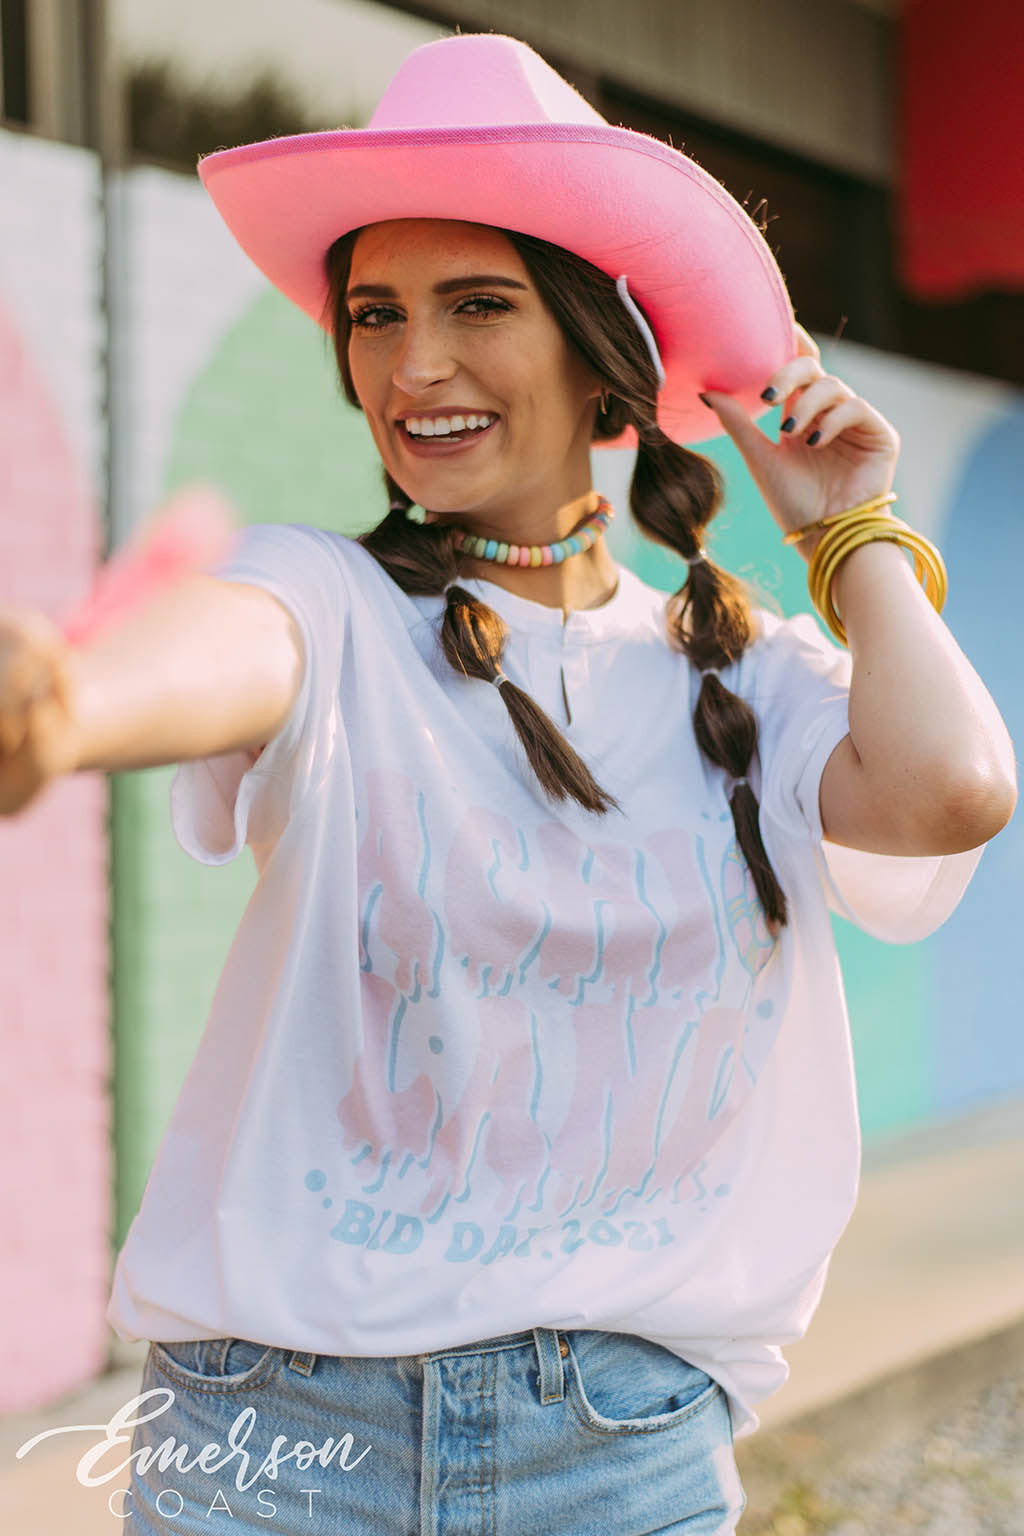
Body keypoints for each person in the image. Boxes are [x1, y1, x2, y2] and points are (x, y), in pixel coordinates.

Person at [1, 31, 1016, 1536]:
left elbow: (954, 792)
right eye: (376, 315)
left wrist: (846, 531)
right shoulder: (326, 600)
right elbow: (214, 649)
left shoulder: (754, 675)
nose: (414, 366)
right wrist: (58, 705)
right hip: (275, 1444)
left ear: (601, 345)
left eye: (478, 304)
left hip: (620, 1453)